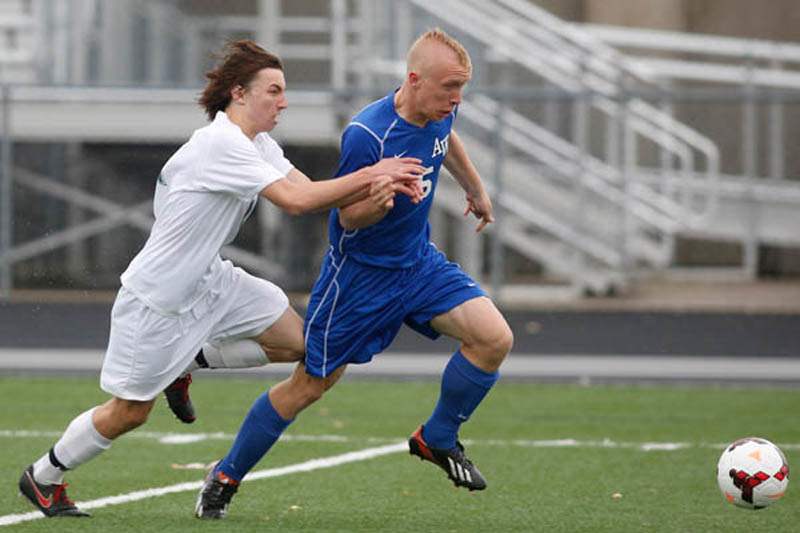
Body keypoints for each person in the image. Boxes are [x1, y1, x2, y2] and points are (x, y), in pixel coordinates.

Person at [17, 40, 424, 519]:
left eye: (284, 91)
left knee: (304, 343)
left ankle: (190, 360)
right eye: (273, 90)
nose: (284, 101)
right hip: (159, 299)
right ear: (238, 93)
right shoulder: (221, 145)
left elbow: (305, 190)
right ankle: (43, 476)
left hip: (211, 281)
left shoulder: (258, 143)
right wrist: (376, 172)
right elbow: (298, 202)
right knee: (129, 412)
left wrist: (381, 183)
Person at [194, 29, 513, 520]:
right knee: (309, 386)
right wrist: (377, 203)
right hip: (360, 281)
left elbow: (446, 140)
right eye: (450, 87)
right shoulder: (369, 135)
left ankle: (437, 437)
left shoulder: (441, 108)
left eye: (461, 89)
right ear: (414, 80)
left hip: (418, 264)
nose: (457, 99)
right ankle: (224, 476)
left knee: (494, 338)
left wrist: (474, 186)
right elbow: (347, 218)